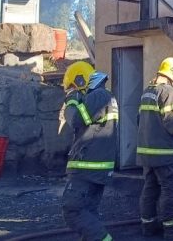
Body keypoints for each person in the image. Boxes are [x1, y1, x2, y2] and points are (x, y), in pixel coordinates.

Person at [137, 57, 173, 239]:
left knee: (150, 189)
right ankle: (172, 228)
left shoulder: (147, 91)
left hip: (146, 153)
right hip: (164, 154)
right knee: (170, 190)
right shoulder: (168, 91)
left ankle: (148, 226)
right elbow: (171, 121)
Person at [61, 69, 119, 241]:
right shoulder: (105, 96)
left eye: (75, 87)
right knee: (88, 212)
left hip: (87, 166)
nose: (77, 92)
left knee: (73, 211)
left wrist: (71, 102)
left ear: (83, 81)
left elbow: (75, 120)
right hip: (96, 167)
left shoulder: (98, 96)